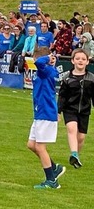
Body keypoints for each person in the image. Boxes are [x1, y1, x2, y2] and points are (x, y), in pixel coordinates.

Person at [27, 51, 65, 189]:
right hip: (40, 113)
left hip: (45, 113)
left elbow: (38, 63)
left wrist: (48, 57)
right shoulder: (47, 71)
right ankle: (54, 168)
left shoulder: (46, 70)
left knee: (40, 147)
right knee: (31, 145)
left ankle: (52, 181)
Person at [58, 48, 94, 169]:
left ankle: (76, 156)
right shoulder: (67, 77)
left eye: (83, 59)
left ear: (87, 62)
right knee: (72, 128)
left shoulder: (91, 78)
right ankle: (73, 153)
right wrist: (58, 111)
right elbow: (62, 96)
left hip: (84, 110)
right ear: (72, 61)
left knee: (81, 137)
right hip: (69, 109)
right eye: (77, 58)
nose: (80, 61)